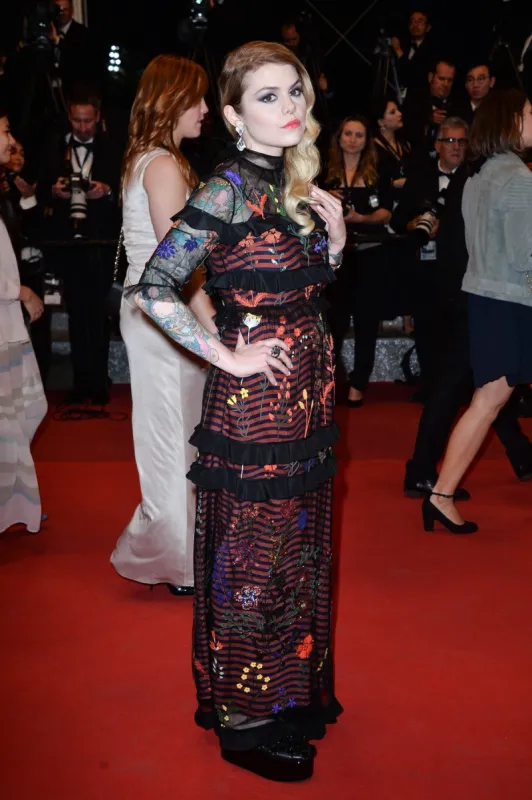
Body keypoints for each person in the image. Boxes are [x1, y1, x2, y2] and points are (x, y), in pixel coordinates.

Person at [127, 40, 345, 781]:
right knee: (253, 558)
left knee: (297, 554)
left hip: (309, 393)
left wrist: (336, 242)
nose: (289, 108)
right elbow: (155, 287)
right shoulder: (224, 188)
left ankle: (280, 689)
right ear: (232, 113)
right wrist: (226, 354)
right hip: (257, 410)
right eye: (267, 97)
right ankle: (245, 719)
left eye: (295, 92)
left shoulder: (296, 183)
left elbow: (298, 285)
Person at [110, 55, 213, 596]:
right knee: (175, 438)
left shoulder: (146, 158)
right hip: (163, 314)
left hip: (150, 312)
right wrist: (214, 326)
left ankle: (179, 549)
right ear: (172, 99)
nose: (206, 109)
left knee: (172, 434)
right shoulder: (165, 165)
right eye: (197, 98)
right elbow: (182, 264)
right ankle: (177, 561)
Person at [422, 89, 532, 534]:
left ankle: (441, 494)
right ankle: (441, 494)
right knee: (488, 401)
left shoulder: (477, 176)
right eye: (527, 112)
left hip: (486, 299)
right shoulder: (520, 178)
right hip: (514, 301)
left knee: (487, 400)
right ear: (509, 121)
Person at [39, 91, 121, 405]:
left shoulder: (113, 148)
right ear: (69, 118)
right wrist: (53, 190)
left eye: (88, 120)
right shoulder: (54, 147)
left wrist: (107, 190)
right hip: (65, 243)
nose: (83, 127)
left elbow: (124, 189)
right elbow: (41, 185)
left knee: (99, 314)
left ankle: (99, 383)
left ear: (98, 117)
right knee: (74, 313)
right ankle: (80, 383)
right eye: (77, 120)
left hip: (100, 241)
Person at [0, 112, 47, 534]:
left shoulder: (7, 187)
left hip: (9, 311)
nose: (12, 141)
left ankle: (16, 502)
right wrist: (19, 292)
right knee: (10, 420)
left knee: (26, 410)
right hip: (7, 306)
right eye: (4, 132)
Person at [324, 116, 392, 407]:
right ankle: (330, 380)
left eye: (359, 135)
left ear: (367, 140)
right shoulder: (323, 172)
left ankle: (358, 383)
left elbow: (388, 214)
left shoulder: (377, 172)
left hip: (371, 253)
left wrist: (359, 218)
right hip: (336, 258)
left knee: (366, 321)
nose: (352, 139)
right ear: (339, 137)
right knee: (334, 322)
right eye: (348, 133)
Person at [1, 139, 52, 386]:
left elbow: (39, 228)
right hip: (8, 277)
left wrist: (30, 199)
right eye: (13, 150)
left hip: (29, 269)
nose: (16, 154)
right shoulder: (4, 187)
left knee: (37, 322)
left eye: (22, 151)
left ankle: (39, 378)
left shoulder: (31, 185)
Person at [391, 9, 436, 94]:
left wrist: (398, 50)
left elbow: (413, 75)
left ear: (428, 27)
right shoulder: (405, 46)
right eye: (412, 21)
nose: (414, 25)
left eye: (420, 21)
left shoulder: (432, 51)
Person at [456, 62, 496, 127]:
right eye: (470, 80)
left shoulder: (500, 112)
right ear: (465, 84)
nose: (475, 85)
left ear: (492, 81)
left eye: (480, 79)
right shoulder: (456, 112)